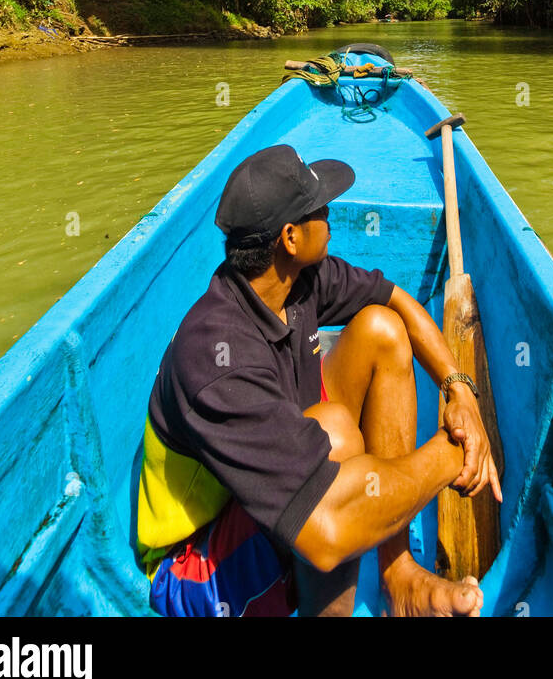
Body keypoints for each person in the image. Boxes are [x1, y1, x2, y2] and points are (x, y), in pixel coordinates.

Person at [137, 143, 502, 617]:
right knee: (333, 436)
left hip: (270, 473)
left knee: (382, 330)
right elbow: (326, 532)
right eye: (319, 209)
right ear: (291, 238)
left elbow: (399, 304)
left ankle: (399, 575)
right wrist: (454, 452)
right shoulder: (215, 357)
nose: (330, 214)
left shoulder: (297, 281)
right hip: (193, 562)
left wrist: (460, 391)